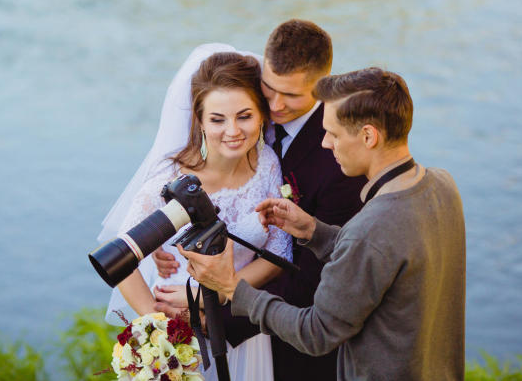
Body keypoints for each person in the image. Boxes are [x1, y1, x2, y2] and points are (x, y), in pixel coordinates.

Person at [178, 67, 466, 381]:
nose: (326, 143)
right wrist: (315, 232)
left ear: (368, 136)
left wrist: (233, 288)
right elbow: (381, 256)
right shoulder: (441, 184)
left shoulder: (369, 231)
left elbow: (315, 333)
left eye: (333, 133)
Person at [152, 20, 365, 381]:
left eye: (292, 96)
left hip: (287, 341)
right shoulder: (247, 115)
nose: (276, 105)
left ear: (323, 86)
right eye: (269, 88)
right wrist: (163, 237)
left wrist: (212, 310)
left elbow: (313, 279)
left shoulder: (340, 163)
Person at [96, 45, 292, 381]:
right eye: (217, 119)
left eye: (244, 116)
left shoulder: (269, 167)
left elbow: (276, 255)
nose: (232, 131)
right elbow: (120, 259)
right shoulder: (172, 179)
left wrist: (210, 295)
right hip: (181, 331)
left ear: (262, 114)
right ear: (199, 120)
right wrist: (158, 329)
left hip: (242, 329)